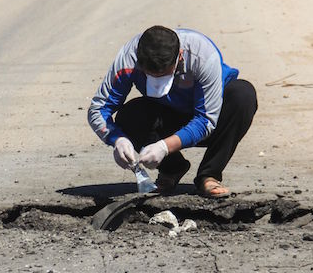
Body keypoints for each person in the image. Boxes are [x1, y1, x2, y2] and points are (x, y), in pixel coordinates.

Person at [88, 25, 257, 198]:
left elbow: (206, 120)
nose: (158, 80)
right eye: (151, 76)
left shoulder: (203, 56)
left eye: (164, 75)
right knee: (130, 115)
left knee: (243, 95)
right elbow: (98, 109)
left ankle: (209, 175)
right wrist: (117, 139)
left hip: (211, 118)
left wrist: (164, 147)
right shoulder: (128, 59)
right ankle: (172, 169)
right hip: (167, 114)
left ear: (180, 56)